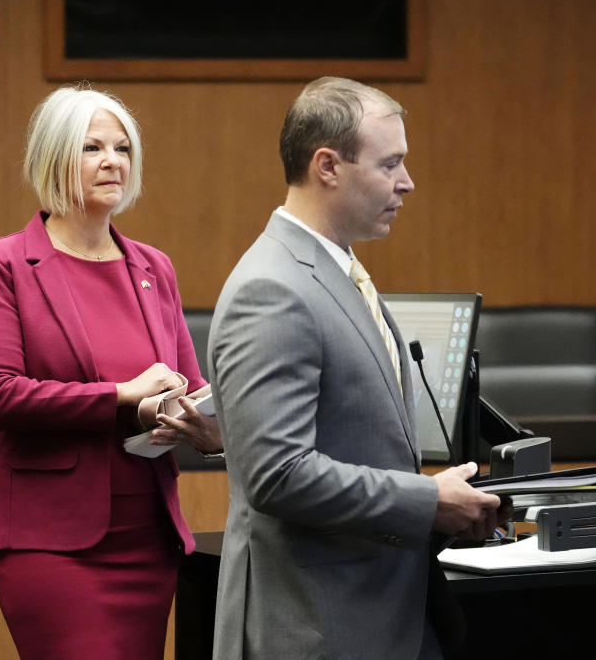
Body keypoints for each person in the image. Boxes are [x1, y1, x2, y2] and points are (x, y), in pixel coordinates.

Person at [209, 77, 510, 659]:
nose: (407, 182)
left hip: (382, 613)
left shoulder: (336, 271)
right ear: (327, 166)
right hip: (320, 625)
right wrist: (426, 502)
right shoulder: (273, 287)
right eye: (390, 163)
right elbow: (278, 473)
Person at [0, 85, 222, 660]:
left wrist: (202, 426)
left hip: (147, 537)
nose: (113, 161)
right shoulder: (6, 264)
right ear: (54, 158)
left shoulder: (154, 266)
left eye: (123, 148)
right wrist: (121, 396)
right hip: (51, 545)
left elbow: (186, 384)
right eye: (92, 148)